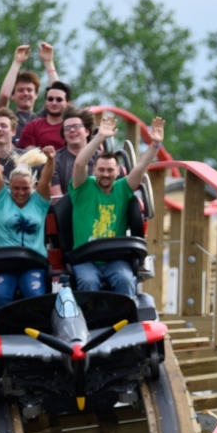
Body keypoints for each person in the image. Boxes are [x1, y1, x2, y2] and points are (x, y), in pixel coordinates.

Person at [69, 113, 165, 297]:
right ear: (94, 170)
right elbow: (79, 163)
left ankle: (126, 321)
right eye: (101, 170)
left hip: (114, 259)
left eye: (110, 170)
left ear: (118, 171)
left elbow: (140, 167)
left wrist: (155, 146)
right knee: (88, 281)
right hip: (85, 258)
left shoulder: (122, 188)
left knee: (126, 279)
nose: (105, 174)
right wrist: (99, 138)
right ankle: (91, 321)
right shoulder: (83, 187)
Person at [0, 128, 55, 309]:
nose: (21, 193)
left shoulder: (38, 202)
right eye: (16, 188)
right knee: (1, 294)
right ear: (10, 186)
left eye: (25, 188)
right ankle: (5, 330)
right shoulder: (1, 200)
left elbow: (46, 180)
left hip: (33, 262)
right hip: (5, 263)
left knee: (34, 294)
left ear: (32, 186)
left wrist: (51, 159)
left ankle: (35, 331)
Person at [0, 43, 60, 139]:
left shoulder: (43, 118)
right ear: (12, 95)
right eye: (20, 90)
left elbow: (58, 94)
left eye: (29, 90)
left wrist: (48, 62)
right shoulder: (6, 119)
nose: (25, 93)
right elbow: (4, 95)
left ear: (36, 94)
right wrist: (17, 63)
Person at [50, 106, 95, 196]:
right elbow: (57, 200)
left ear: (87, 131)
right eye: (67, 128)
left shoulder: (101, 158)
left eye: (76, 126)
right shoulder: (54, 161)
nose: (71, 130)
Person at [17, 81, 71, 150]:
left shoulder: (73, 128)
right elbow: (31, 156)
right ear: (45, 102)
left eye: (59, 100)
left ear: (68, 103)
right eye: (50, 99)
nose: (54, 103)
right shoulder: (32, 127)